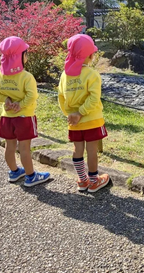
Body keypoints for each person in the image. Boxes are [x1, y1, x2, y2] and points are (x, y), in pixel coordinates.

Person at [0, 36, 50, 186]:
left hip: (6, 118)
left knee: (9, 146)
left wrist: (6, 100)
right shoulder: (26, 77)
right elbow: (32, 95)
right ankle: (31, 176)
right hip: (24, 117)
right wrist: (20, 104)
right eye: (26, 52)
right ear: (20, 56)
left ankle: (14, 172)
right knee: (24, 148)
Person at [58, 34, 110, 193]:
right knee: (92, 150)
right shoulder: (92, 74)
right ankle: (94, 180)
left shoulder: (65, 75)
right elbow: (94, 98)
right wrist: (81, 112)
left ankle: (82, 180)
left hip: (74, 121)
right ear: (91, 55)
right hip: (92, 119)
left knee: (77, 149)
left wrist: (70, 114)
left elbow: (61, 96)